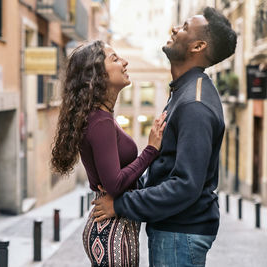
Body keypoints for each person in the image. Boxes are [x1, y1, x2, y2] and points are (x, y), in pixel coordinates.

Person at [92, 7, 237, 267]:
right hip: (174, 232)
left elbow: (185, 185)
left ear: (198, 45)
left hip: (179, 234)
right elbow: (168, 167)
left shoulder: (195, 103)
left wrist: (121, 205)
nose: (174, 29)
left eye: (183, 27)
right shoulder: (184, 92)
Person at [51, 40, 166, 266]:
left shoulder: (100, 117)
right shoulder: (100, 121)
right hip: (113, 232)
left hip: (113, 229)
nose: (125, 62)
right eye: (115, 59)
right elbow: (113, 184)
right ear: (97, 75)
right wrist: (151, 150)